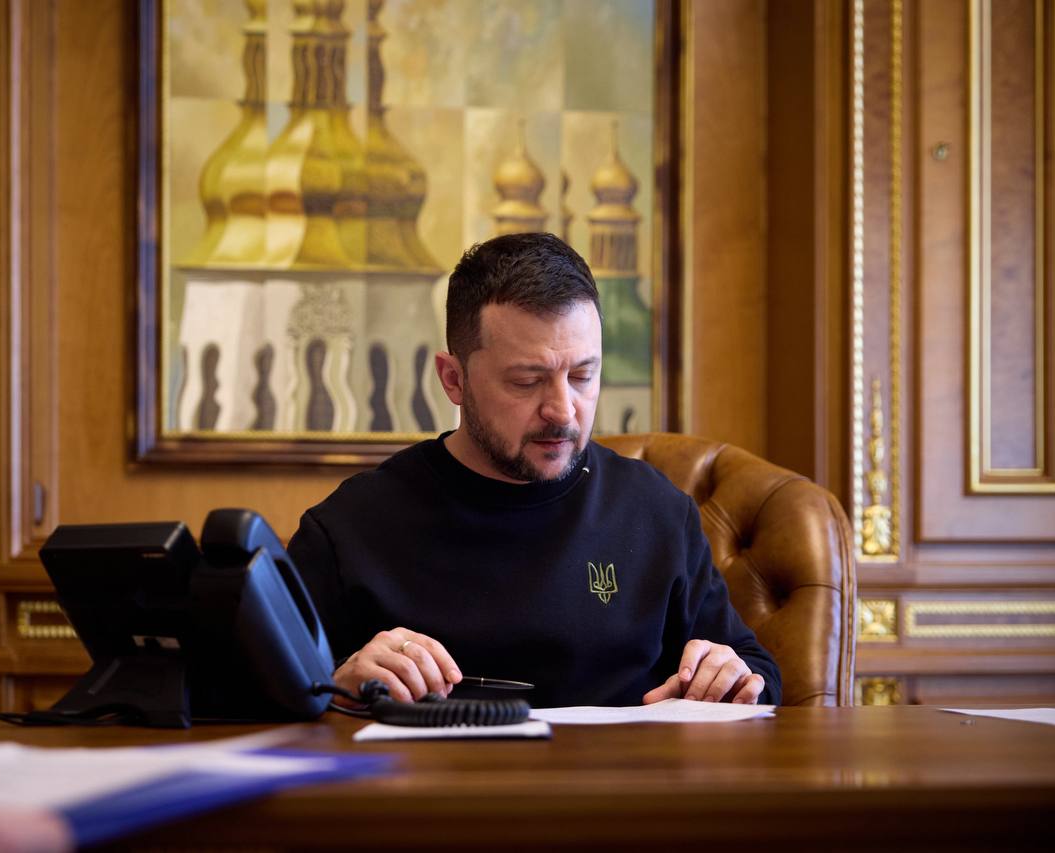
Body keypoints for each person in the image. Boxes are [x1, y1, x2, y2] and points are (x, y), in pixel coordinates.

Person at [287, 233, 781, 708]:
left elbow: (758, 674)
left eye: (583, 376)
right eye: (527, 381)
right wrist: (335, 685)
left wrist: (732, 677)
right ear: (453, 379)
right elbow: (263, 693)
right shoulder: (350, 528)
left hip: (623, 770)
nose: (563, 410)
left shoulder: (655, 513)